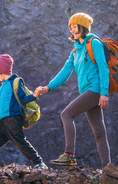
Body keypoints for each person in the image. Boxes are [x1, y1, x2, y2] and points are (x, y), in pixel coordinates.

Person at [35, 13, 111, 167]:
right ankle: (108, 167)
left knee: (66, 114)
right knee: (99, 131)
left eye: (75, 26)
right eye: (70, 27)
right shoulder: (76, 50)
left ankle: (69, 155)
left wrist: (104, 92)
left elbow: (103, 68)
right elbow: (65, 72)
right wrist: (47, 87)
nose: (72, 30)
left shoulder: (94, 43)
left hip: (94, 89)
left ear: (83, 27)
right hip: (88, 92)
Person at [0, 54, 47, 169]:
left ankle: (39, 163)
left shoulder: (15, 82)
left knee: (20, 142)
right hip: (1, 119)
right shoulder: (3, 85)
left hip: (13, 118)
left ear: (1, 71)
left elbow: (23, 99)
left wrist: (35, 95)